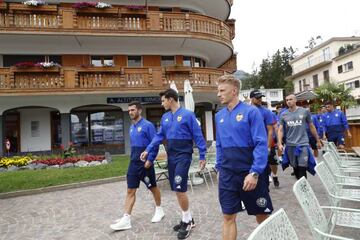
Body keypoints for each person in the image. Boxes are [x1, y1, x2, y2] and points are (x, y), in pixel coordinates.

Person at [140, 88, 206, 240]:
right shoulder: (165, 117)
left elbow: (198, 136)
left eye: (163, 100)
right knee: (177, 189)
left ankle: (187, 221)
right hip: (172, 156)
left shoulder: (188, 115)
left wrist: (202, 155)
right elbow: (159, 136)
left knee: (179, 187)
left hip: (184, 155)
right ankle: (187, 218)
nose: (162, 103)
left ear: (170, 99)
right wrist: (148, 149)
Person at [216, 75, 273, 240]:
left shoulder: (251, 112)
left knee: (261, 216)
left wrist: (255, 172)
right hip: (227, 174)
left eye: (222, 90)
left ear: (234, 91)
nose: (218, 94)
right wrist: (219, 167)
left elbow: (261, 144)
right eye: (218, 91)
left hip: (249, 173)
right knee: (228, 217)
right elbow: (219, 145)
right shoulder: (218, 116)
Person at [110, 101, 164, 231]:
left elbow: (155, 143)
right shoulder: (131, 127)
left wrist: (150, 160)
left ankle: (159, 210)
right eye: (129, 110)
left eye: (132, 110)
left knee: (153, 187)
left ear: (139, 111)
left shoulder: (148, 125)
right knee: (130, 190)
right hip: (133, 163)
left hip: (145, 164)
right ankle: (126, 218)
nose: (130, 112)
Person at [277, 94, 321, 180]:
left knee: (302, 168)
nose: (288, 101)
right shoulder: (283, 114)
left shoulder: (304, 112)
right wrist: (279, 143)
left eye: (290, 99)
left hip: (303, 144)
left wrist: (318, 140)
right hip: (290, 145)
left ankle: (305, 190)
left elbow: (311, 126)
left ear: (295, 100)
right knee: (295, 168)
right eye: (287, 100)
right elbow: (280, 130)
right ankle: (301, 188)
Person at [250, 91, 279, 188]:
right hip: (250, 145)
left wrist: (267, 146)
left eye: (260, 98)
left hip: (264, 144)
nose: (260, 100)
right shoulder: (246, 110)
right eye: (257, 98)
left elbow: (270, 130)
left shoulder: (266, 111)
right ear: (251, 98)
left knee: (270, 163)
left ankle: (273, 176)